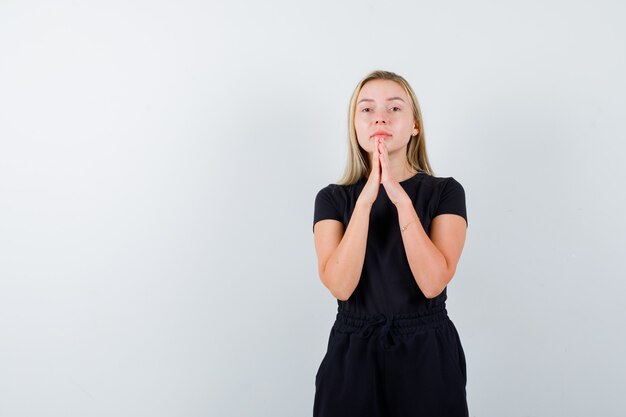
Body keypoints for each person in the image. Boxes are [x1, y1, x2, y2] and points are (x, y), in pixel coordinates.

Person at [312, 70, 469, 417]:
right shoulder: (332, 199)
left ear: (415, 125)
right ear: (355, 125)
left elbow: (432, 283)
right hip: (352, 355)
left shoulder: (445, 192)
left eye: (394, 108)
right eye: (366, 109)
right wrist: (367, 199)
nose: (380, 116)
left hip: (426, 352)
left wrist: (399, 199)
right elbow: (340, 284)